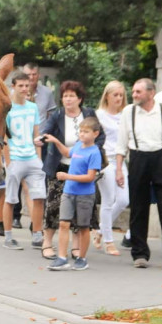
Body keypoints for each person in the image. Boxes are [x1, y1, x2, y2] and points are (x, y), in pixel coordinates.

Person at [115, 78, 162, 270]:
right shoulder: (128, 112)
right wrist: (119, 170)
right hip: (138, 158)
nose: (134, 95)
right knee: (138, 207)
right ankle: (139, 253)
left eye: (138, 91)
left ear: (151, 93)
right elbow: (121, 145)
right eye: (134, 91)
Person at [38, 81, 104, 260]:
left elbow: (100, 135)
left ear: (79, 99)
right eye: (65, 96)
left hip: (82, 167)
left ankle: (76, 247)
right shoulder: (58, 114)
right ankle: (47, 243)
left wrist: (89, 150)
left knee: (80, 207)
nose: (67, 99)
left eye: (71, 96)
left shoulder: (89, 114)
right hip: (59, 166)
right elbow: (46, 132)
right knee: (53, 206)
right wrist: (41, 140)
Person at [46, 117, 103, 271]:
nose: (82, 134)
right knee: (63, 223)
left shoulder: (94, 153)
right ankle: (62, 258)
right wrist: (55, 141)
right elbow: (66, 152)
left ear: (95, 134)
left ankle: (82, 258)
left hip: (85, 195)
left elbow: (90, 177)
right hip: (69, 192)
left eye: (86, 132)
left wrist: (67, 177)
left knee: (83, 227)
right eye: (80, 131)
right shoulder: (78, 146)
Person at [1, 71, 47, 250]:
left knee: (39, 197)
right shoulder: (8, 108)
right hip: (15, 158)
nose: (24, 89)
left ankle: (37, 235)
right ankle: (8, 236)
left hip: (32, 158)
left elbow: (36, 134)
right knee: (11, 198)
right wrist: (8, 161)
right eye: (20, 85)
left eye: (26, 85)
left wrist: (39, 159)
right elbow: (4, 136)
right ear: (13, 86)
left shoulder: (32, 108)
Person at [95, 81, 129, 256]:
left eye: (121, 95)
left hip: (120, 161)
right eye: (115, 95)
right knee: (108, 200)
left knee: (123, 200)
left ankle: (101, 230)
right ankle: (109, 241)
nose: (118, 98)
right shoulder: (99, 115)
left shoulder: (125, 115)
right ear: (107, 96)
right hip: (105, 161)